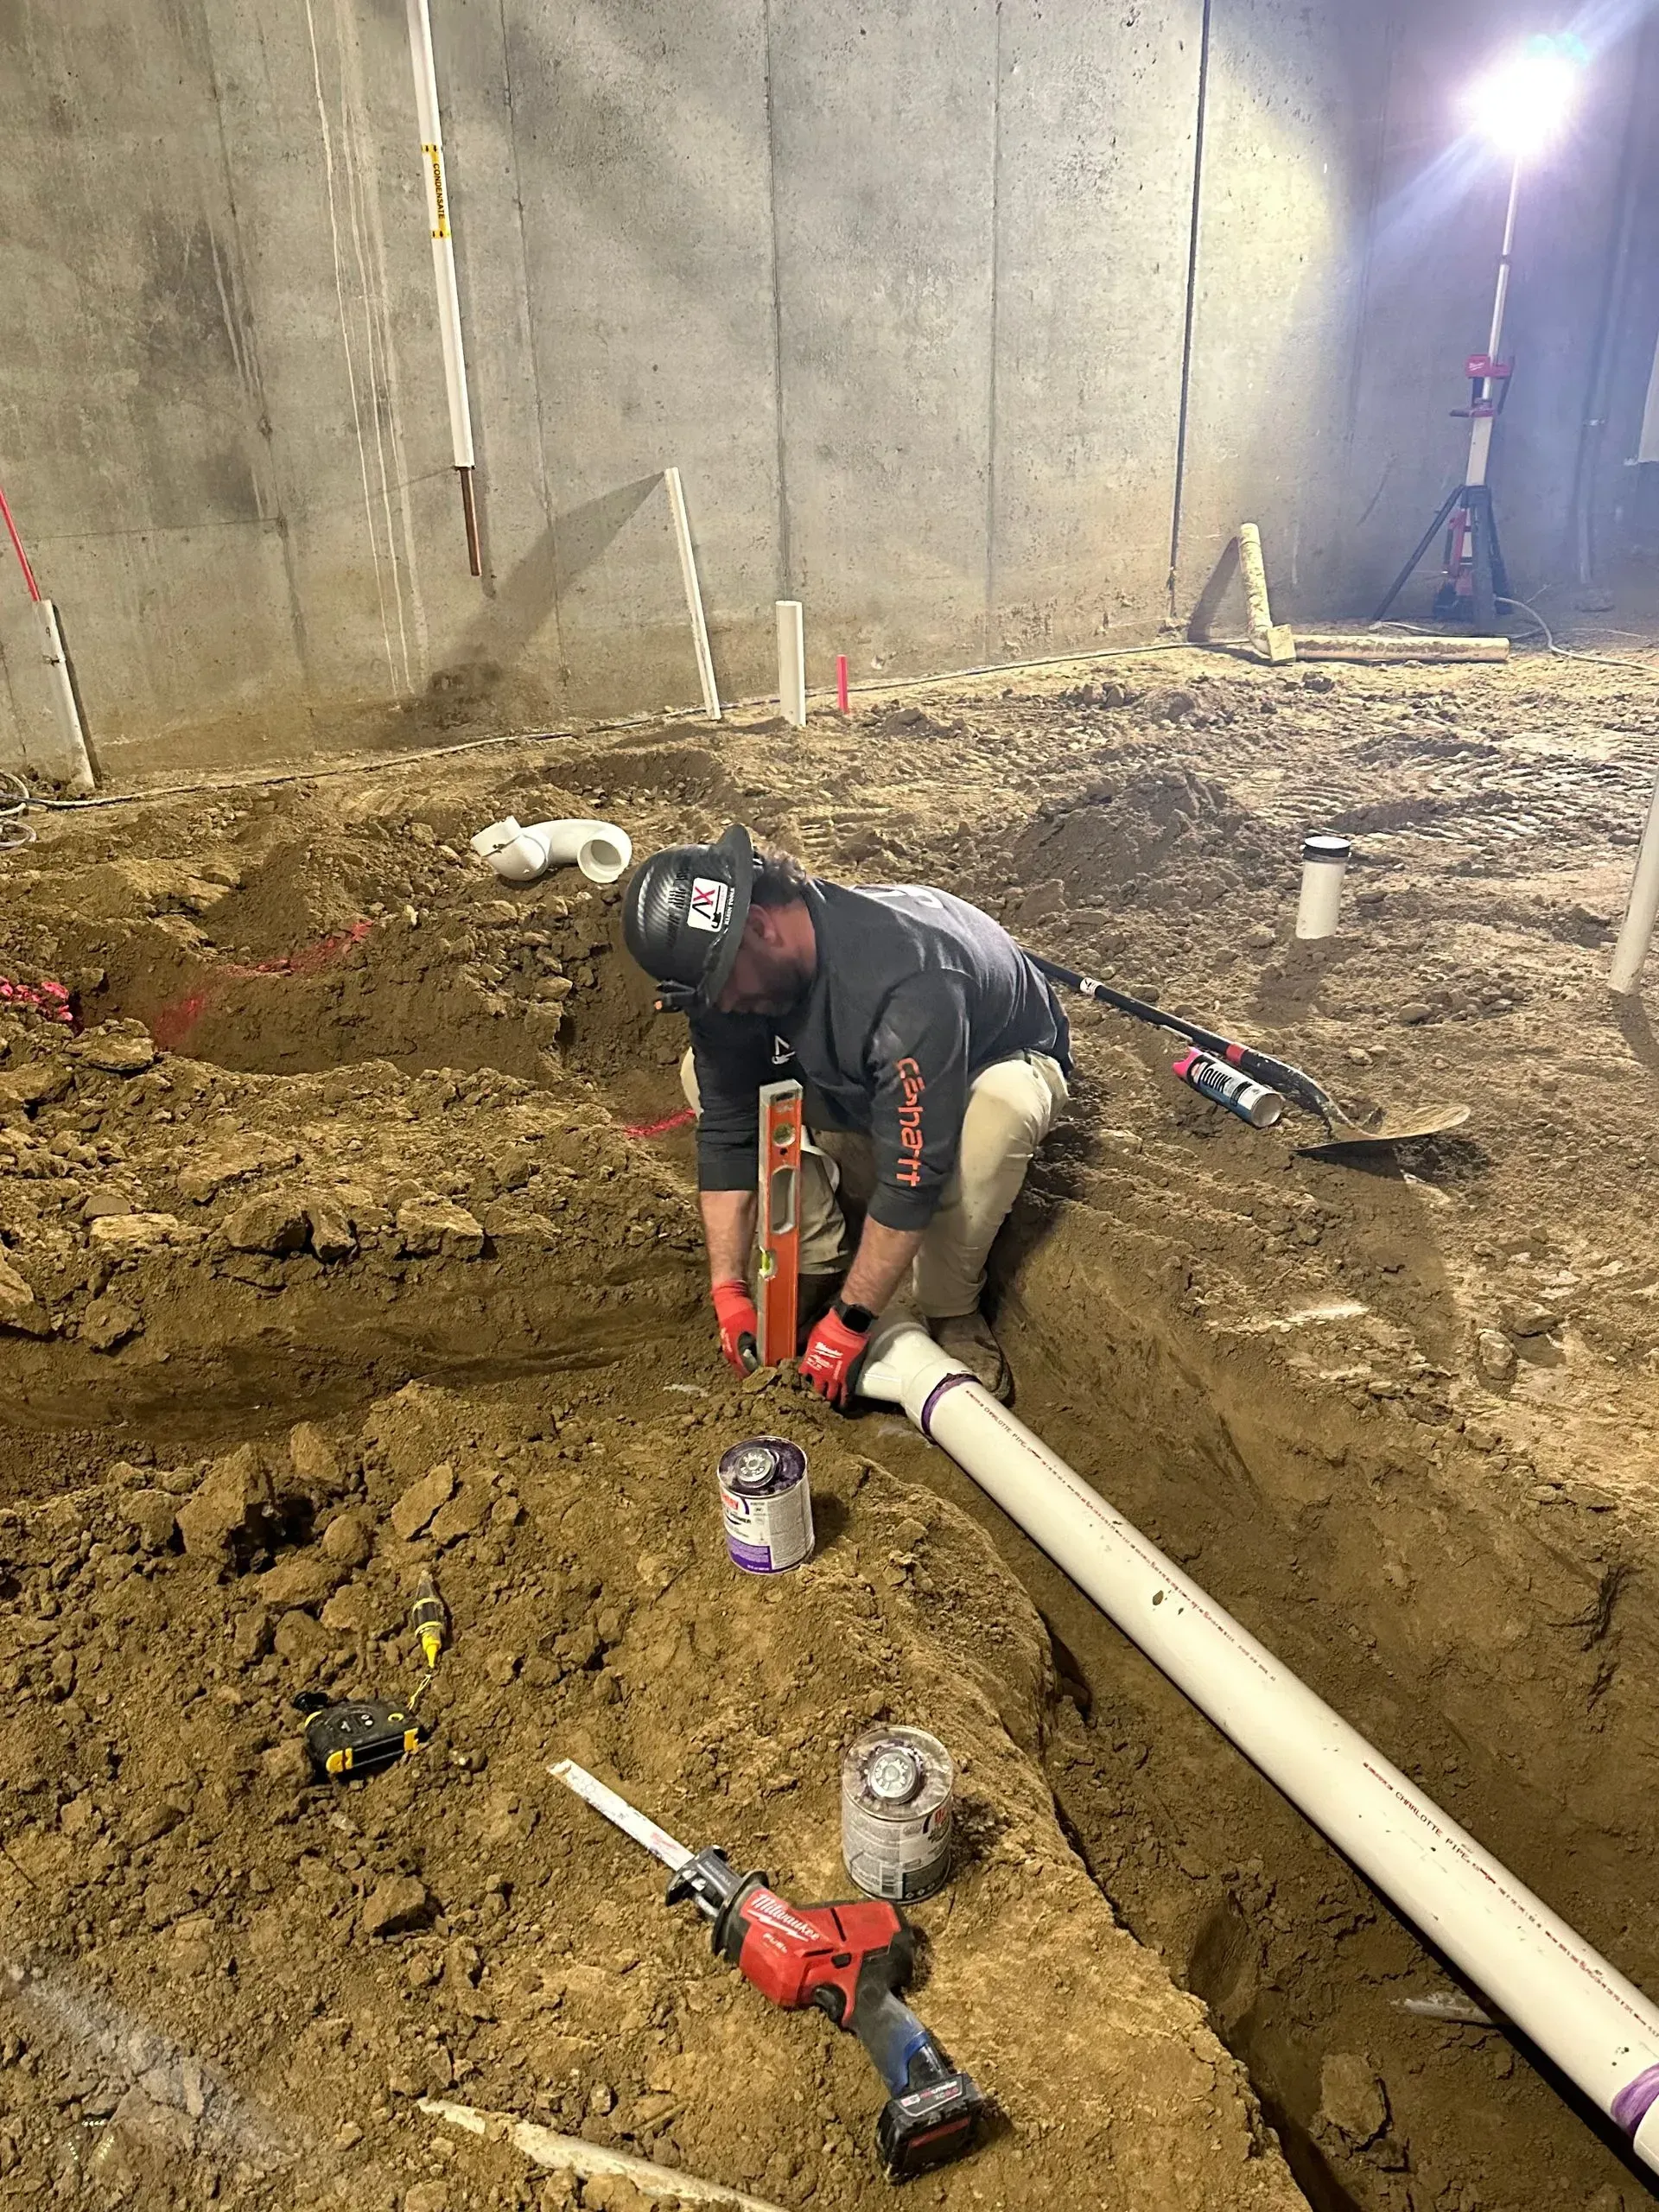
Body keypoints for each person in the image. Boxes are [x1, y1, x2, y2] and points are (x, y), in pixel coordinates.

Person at [621, 823, 1070, 1405]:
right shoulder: (734, 978)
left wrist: (849, 1324)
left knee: (1000, 1114)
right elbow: (729, 1130)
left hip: (985, 1062)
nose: (722, 1004)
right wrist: (728, 1291)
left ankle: (949, 1305)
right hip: (874, 1066)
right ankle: (815, 1254)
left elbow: (912, 1177)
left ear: (759, 927)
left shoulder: (905, 983)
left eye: (720, 986)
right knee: (698, 1073)